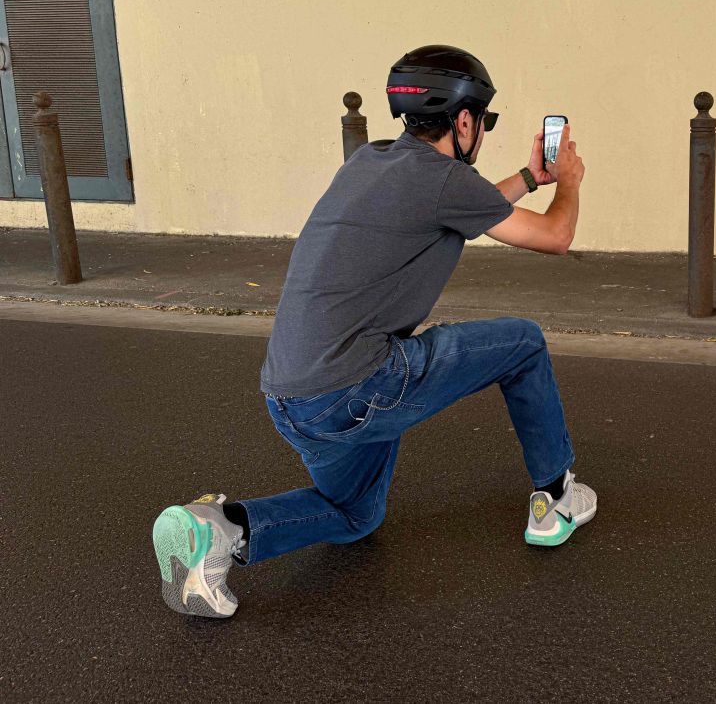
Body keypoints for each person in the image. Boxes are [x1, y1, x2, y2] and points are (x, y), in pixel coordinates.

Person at [150, 45, 595, 618]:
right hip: (355, 387)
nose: (482, 131)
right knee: (523, 344)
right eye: (484, 120)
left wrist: (532, 176)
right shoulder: (444, 181)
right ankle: (557, 498)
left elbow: (470, 206)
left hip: (289, 397)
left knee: (357, 514)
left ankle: (222, 527)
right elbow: (556, 236)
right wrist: (568, 182)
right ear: (464, 121)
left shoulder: (370, 161)